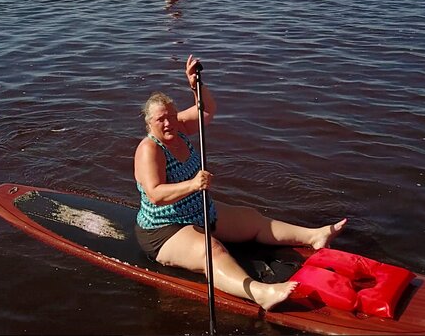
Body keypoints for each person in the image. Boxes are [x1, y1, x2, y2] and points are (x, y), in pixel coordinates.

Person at [134, 55, 347, 310]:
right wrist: (192, 185)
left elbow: (207, 110)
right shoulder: (149, 149)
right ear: (149, 124)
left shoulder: (178, 128)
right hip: (165, 228)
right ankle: (260, 293)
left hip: (200, 210)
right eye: (160, 119)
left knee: (252, 219)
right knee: (212, 250)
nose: (168, 122)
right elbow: (156, 194)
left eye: (171, 115)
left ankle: (314, 236)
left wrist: (196, 86)